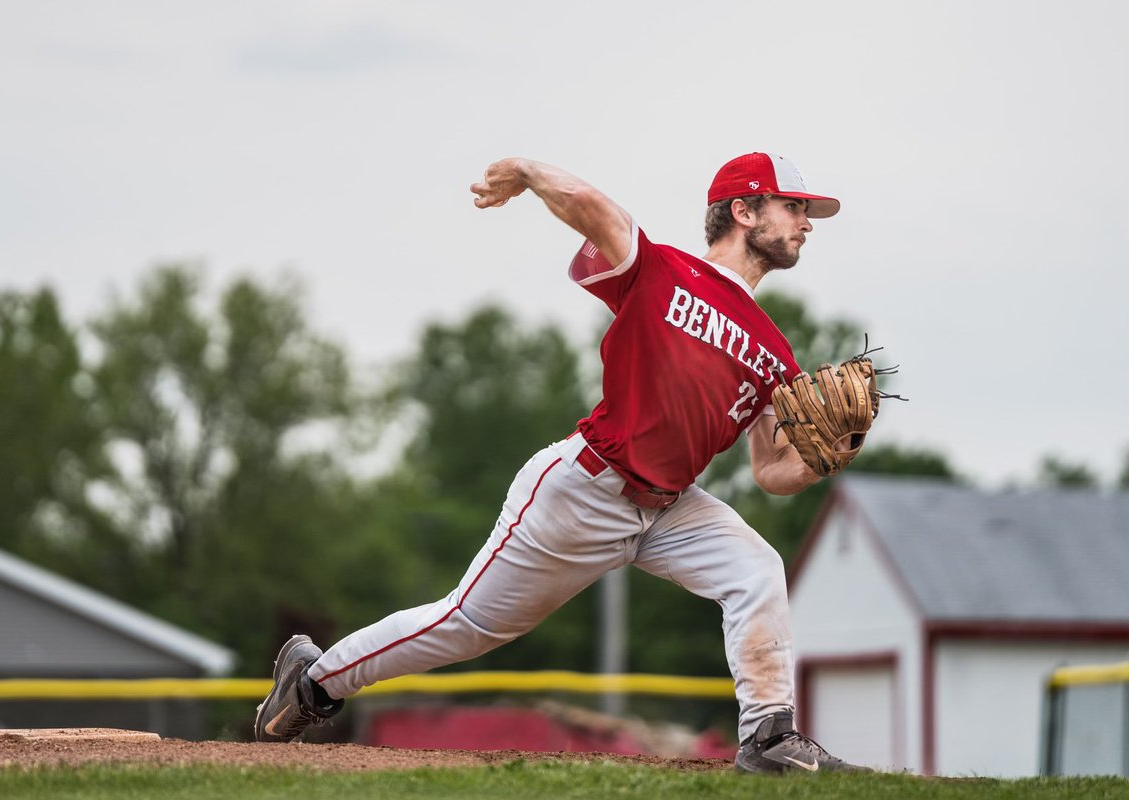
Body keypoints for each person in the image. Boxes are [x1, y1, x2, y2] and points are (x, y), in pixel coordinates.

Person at [255, 152, 869, 774]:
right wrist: (526, 169)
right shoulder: (664, 271)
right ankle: (313, 681)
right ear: (743, 210)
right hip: (586, 488)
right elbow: (595, 209)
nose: (806, 222)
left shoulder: (775, 349)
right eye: (793, 207)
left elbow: (772, 471)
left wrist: (829, 458)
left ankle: (768, 738)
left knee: (757, 568)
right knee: (467, 624)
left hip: (670, 507)